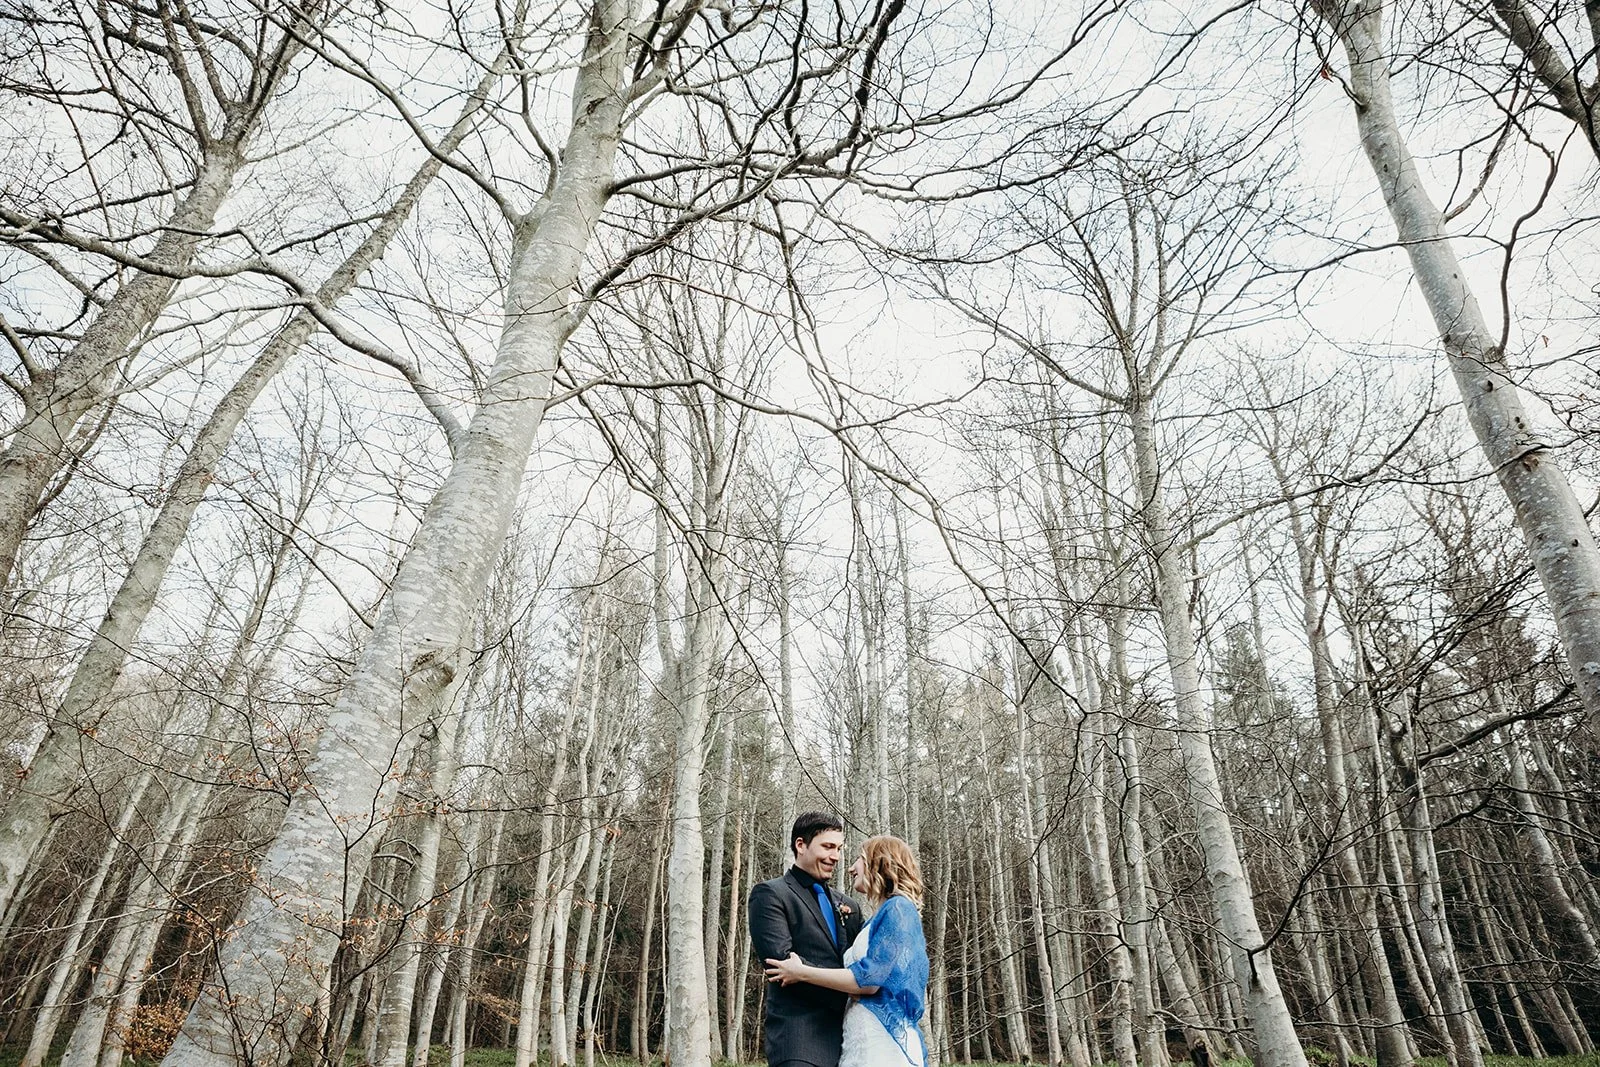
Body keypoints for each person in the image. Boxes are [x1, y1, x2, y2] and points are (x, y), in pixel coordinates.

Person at [764, 835, 929, 1067]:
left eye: (860, 859)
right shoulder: (877, 916)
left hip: (881, 1039)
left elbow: (869, 980)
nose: (851, 868)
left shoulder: (899, 909)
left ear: (880, 863)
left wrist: (802, 972)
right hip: (858, 1036)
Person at [748, 813, 867, 1067]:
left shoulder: (849, 905)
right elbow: (781, 964)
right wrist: (853, 990)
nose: (835, 856)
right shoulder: (771, 894)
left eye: (839, 848)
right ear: (800, 845)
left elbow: (860, 961)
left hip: (854, 1040)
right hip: (800, 1041)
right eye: (827, 846)